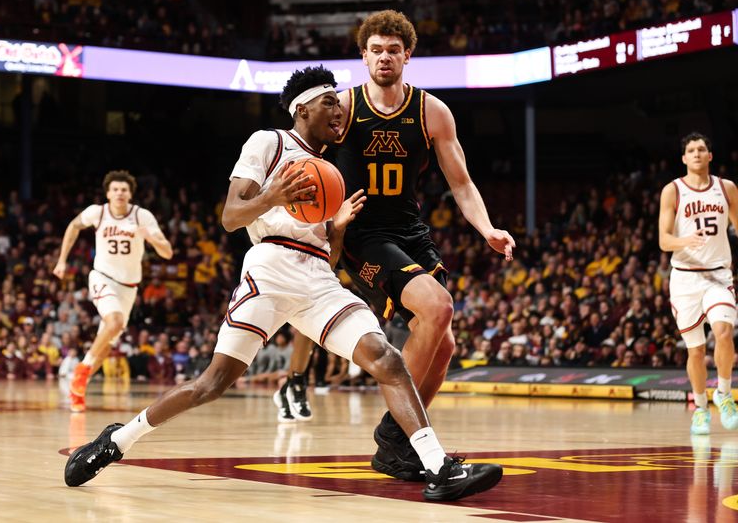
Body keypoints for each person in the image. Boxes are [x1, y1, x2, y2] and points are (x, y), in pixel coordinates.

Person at [64, 66, 503, 502]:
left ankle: (437, 466)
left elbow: (329, 255)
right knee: (212, 383)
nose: (339, 109)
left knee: (386, 358)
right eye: (329, 102)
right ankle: (118, 440)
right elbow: (231, 216)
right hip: (270, 268)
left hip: (317, 276)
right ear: (302, 108)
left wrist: (338, 230)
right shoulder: (268, 141)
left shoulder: (328, 167)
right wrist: (273, 196)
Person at [282, 10, 515, 481]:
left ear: (408, 55)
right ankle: (401, 437)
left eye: (393, 49)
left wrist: (487, 228)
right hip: (361, 234)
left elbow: (463, 184)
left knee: (444, 342)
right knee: (437, 307)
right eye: (376, 50)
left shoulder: (432, 111)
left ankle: (398, 444)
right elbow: (302, 158)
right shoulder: (342, 109)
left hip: (410, 231)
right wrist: (318, 225)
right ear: (363, 56)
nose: (384, 57)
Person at [53, 170, 173, 412]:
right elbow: (74, 226)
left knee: (106, 345)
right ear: (108, 193)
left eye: (124, 190)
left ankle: (78, 387)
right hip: (103, 277)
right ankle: (81, 371)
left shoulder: (142, 216)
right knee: (115, 322)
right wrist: (62, 260)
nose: (120, 193)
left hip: (129, 287)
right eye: (115, 189)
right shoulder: (97, 212)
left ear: (130, 194)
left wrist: (150, 237)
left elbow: (167, 252)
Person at [658, 131, 738, 435]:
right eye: (690, 150)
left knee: (724, 332)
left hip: (718, 274)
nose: (696, 153)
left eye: (701, 149)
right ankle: (702, 408)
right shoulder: (673, 190)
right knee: (695, 350)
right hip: (685, 279)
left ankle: (725, 393)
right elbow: (664, 240)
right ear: (683, 158)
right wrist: (684, 240)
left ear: (709, 156)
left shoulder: (726, 188)